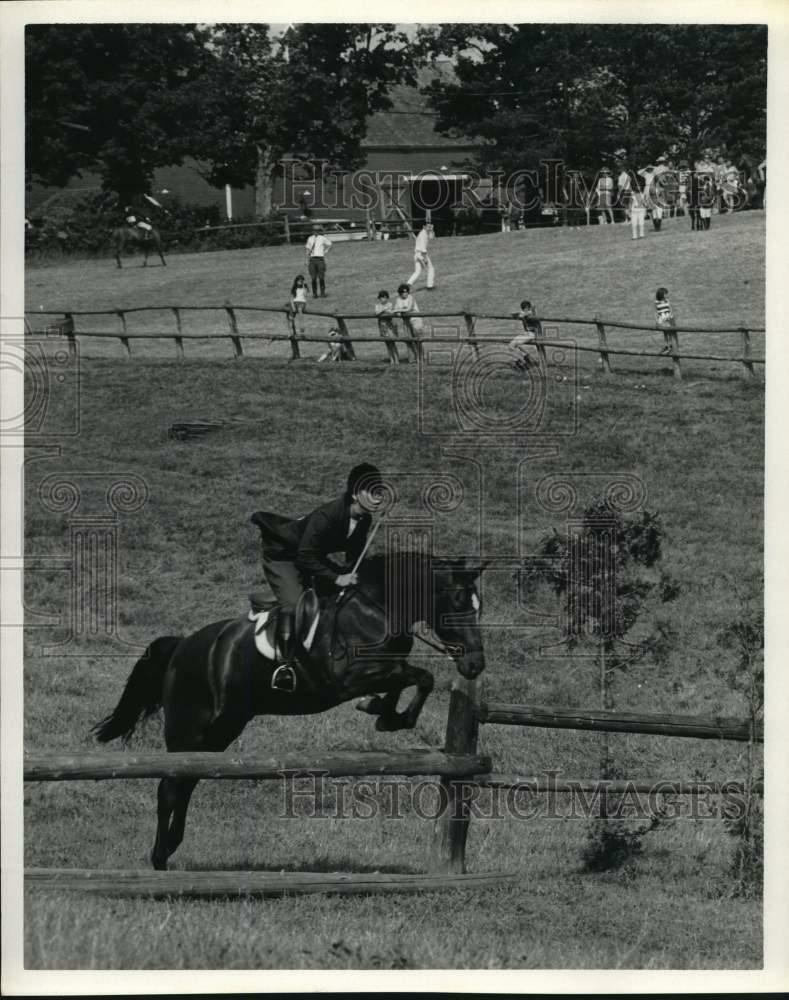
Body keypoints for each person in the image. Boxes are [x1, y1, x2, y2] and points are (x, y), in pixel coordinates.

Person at [258, 463, 384, 688]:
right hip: (284, 554)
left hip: (309, 556)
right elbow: (304, 556)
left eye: (379, 490)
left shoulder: (364, 520)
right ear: (355, 494)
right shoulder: (328, 515)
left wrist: (357, 578)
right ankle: (285, 668)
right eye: (371, 491)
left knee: (341, 597)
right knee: (298, 606)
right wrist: (336, 578)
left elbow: (353, 560)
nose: (377, 496)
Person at [391, 283, 423, 362]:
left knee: (417, 340)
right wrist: (398, 311)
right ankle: (412, 358)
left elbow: (408, 309)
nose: (405, 293)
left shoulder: (411, 298)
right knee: (408, 340)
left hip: (415, 319)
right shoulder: (398, 299)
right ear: (400, 293)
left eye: (406, 292)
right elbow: (395, 310)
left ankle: (421, 357)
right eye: (402, 292)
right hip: (406, 321)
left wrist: (399, 310)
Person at [509, 300, 543, 371]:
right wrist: (517, 313)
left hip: (533, 334)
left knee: (514, 344)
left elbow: (524, 314)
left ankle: (521, 362)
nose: (525, 309)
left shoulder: (531, 313)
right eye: (523, 308)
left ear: (528, 307)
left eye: (526, 308)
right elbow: (512, 313)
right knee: (511, 345)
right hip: (527, 333)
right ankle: (525, 358)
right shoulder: (526, 312)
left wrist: (521, 314)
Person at [305, 224, 332, 298]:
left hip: (320, 259)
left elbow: (330, 244)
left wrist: (325, 251)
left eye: (317, 230)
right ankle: (314, 293)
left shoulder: (322, 238)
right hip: (312, 259)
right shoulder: (310, 238)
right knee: (313, 277)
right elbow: (308, 249)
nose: (315, 232)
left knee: (321, 277)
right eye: (314, 230)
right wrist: (306, 259)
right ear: (313, 231)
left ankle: (322, 293)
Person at [407, 223, 435, 291]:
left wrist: (431, 230)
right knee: (431, 269)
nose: (429, 228)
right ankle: (430, 286)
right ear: (424, 226)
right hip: (421, 254)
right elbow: (423, 248)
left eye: (430, 227)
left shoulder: (425, 233)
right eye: (428, 227)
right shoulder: (423, 234)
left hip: (417, 254)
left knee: (417, 272)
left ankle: (408, 284)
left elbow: (432, 237)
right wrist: (425, 258)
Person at [375, 290, 399, 365]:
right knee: (387, 343)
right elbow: (377, 312)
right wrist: (384, 310)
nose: (383, 299)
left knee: (392, 343)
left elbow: (391, 312)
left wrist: (384, 311)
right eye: (382, 298)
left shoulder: (390, 304)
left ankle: (396, 359)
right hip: (382, 326)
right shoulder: (377, 305)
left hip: (390, 326)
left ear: (387, 298)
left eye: (385, 298)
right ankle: (391, 359)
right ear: (379, 298)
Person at [655, 287, 676, 355]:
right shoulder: (656, 302)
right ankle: (667, 346)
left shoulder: (667, 301)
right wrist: (657, 321)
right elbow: (656, 312)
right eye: (665, 294)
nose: (667, 295)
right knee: (665, 333)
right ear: (661, 294)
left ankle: (670, 346)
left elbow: (671, 310)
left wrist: (669, 316)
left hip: (668, 318)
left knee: (669, 333)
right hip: (662, 319)